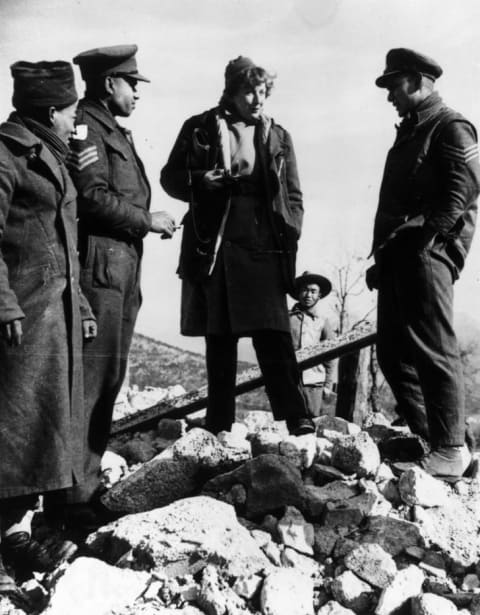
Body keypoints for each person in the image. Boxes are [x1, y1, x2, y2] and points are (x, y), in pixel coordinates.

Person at [160, 56, 314, 436]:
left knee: (274, 333)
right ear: (231, 90)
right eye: (249, 91)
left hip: (263, 241)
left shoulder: (278, 135)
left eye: (262, 91)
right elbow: (169, 178)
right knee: (221, 335)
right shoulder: (199, 127)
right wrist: (199, 180)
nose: (257, 99)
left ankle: (298, 419)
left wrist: (290, 229)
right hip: (218, 240)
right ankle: (219, 424)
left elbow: (293, 194)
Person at [63, 45, 176, 523]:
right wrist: (147, 220)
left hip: (120, 271)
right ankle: (71, 500)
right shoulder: (88, 127)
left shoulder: (113, 130)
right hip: (101, 272)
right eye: (132, 84)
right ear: (109, 83)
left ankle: (81, 489)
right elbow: (92, 197)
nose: (137, 94)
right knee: (90, 385)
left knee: (107, 382)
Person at [0, 60, 96, 599]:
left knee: (41, 430)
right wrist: (4, 305)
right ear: (51, 111)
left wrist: (80, 302)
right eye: (71, 110)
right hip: (23, 316)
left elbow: (64, 246)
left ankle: (13, 535)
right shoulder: (6, 154)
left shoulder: (52, 158)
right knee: (11, 431)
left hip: (51, 316)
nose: (75, 120)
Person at [368, 48, 480, 480]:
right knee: (394, 354)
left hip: (427, 254)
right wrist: (385, 257)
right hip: (401, 256)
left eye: (394, 86)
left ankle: (450, 448)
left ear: (415, 81)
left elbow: (466, 186)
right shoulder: (413, 131)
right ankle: (440, 443)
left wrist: (431, 239)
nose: (389, 95)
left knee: (433, 349)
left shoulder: (449, 126)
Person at [290, 271, 335, 417]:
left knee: (312, 419)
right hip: (290, 379)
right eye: (304, 290)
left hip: (314, 382)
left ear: (319, 295)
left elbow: (331, 355)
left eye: (313, 291)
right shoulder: (287, 318)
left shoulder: (322, 322)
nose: (308, 295)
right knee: (290, 420)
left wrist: (328, 385)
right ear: (298, 293)